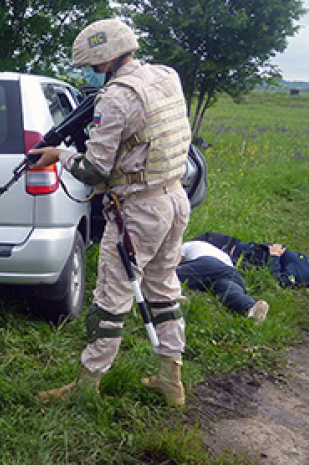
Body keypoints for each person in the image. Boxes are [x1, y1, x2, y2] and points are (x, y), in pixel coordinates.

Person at [29, 18, 193, 406]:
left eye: (91, 66)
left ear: (103, 60)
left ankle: (87, 385)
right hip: (173, 198)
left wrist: (61, 155)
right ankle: (172, 379)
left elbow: (94, 170)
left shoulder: (116, 98)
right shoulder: (166, 75)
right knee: (163, 289)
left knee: (110, 298)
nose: (89, 73)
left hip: (137, 210)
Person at [176, 240, 269, 324]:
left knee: (168, 276)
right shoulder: (218, 252)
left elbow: (173, 261)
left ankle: (174, 296)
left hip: (208, 262)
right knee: (231, 293)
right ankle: (251, 307)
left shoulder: (185, 246)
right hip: (232, 274)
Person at [193, 231, 309, 288]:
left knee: (192, 247)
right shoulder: (306, 265)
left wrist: (274, 256)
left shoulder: (306, 274)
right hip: (240, 247)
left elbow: (279, 280)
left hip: (233, 254)